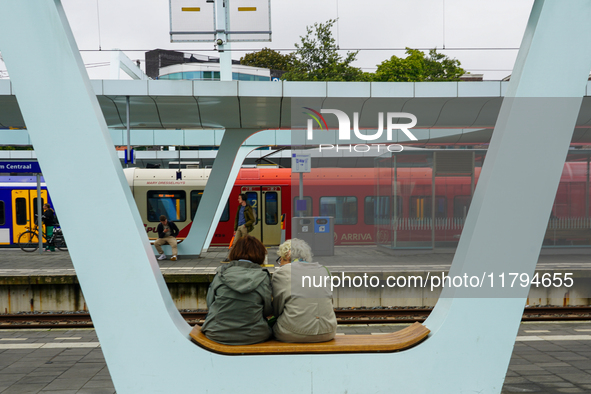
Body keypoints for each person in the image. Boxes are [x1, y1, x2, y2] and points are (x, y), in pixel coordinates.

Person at [201, 235, 273, 345]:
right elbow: (267, 310)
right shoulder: (263, 277)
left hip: (216, 333)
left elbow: (210, 303)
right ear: (260, 254)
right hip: (254, 335)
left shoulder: (221, 274)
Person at [272, 238, 337, 343]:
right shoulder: (323, 270)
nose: (280, 264)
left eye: (281, 259)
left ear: (288, 256)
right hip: (328, 332)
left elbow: (277, 310)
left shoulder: (282, 272)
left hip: (293, 333)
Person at [224, 193, 255, 261]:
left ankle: (248, 256)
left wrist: (245, 225)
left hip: (244, 227)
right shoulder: (239, 207)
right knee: (235, 242)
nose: (238, 200)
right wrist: (235, 228)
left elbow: (252, 219)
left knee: (245, 243)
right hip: (239, 227)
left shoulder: (248, 208)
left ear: (243, 199)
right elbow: (236, 218)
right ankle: (230, 257)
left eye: (239, 198)